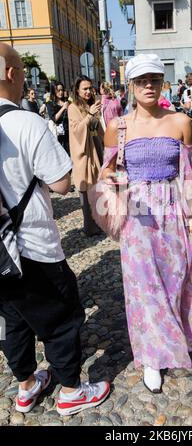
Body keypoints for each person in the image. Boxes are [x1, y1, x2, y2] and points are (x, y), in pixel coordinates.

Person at [97, 53, 192, 393]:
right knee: (143, 286)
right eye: (142, 81)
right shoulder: (118, 126)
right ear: (132, 86)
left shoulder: (180, 121)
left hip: (171, 209)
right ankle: (152, 354)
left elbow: (187, 173)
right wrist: (115, 183)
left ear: (163, 82)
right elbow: (106, 170)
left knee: (175, 277)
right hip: (137, 213)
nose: (149, 86)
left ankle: (176, 335)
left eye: (155, 79)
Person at [0, 43, 110, 416]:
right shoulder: (25, 121)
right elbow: (62, 182)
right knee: (62, 315)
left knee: (13, 318)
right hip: (31, 244)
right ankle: (71, 391)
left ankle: (27, 386)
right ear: (13, 75)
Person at [68, 75, 104, 237]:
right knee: (86, 189)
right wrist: (89, 115)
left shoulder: (92, 105)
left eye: (90, 88)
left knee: (99, 189)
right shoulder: (73, 107)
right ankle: (89, 226)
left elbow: (99, 128)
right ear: (77, 90)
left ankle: (100, 223)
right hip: (84, 154)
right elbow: (76, 131)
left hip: (96, 148)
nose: (88, 91)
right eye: (85, 88)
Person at [47, 82, 70, 154]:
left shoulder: (67, 102)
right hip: (58, 134)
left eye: (62, 90)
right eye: (58, 90)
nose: (61, 92)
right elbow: (54, 118)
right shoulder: (50, 103)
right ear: (54, 91)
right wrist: (63, 108)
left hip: (69, 132)